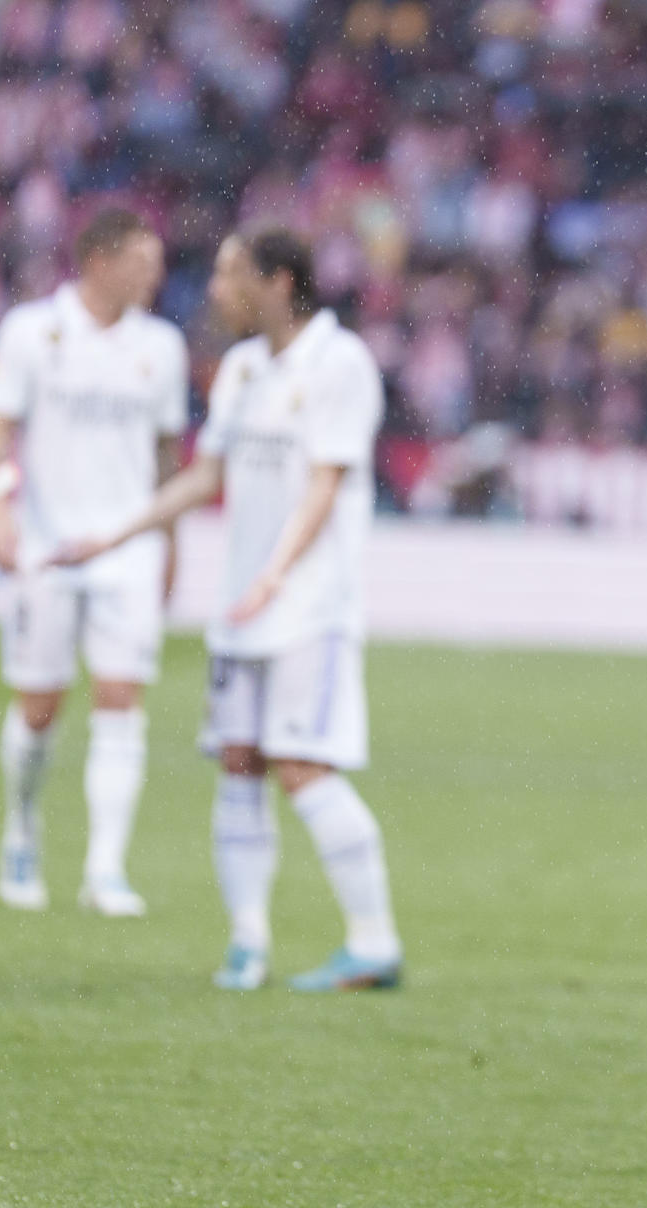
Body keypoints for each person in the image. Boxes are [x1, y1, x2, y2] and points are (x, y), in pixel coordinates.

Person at [56, 228, 403, 992]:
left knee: (303, 765)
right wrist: (112, 535)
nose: (214, 290)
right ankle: (248, 942)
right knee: (239, 764)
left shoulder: (340, 365)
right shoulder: (243, 369)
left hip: (308, 608)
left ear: (278, 281)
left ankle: (374, 942)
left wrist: (275, 575)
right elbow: (204, 475)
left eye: (228, 275)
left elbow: (325, 485)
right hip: (243, 611)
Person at [0, 208, 188, 916]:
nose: (155, 275)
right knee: (40, 708)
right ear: (99, 259)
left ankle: (105, 867)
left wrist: (171, 543)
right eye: (143, 260)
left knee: (122, 701)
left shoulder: (162, 346)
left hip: (128, 548)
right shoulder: (33, 332)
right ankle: (21, 830)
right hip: (49, 547)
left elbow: (167, 458)